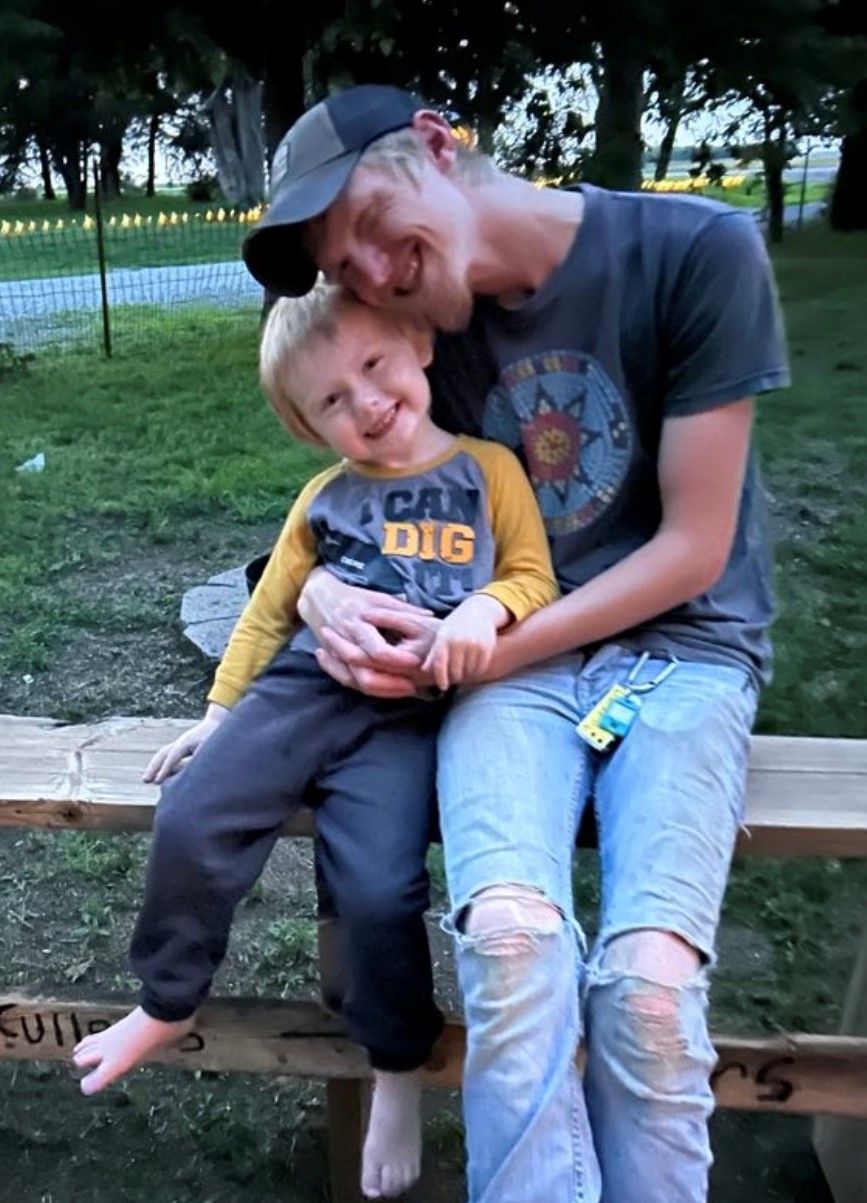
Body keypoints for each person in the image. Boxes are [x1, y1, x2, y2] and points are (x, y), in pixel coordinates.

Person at [239, 84, 791, 1203]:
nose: (375, 275)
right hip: (505, 672)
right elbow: (338, 511)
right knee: (508, 946)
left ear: (440, 146)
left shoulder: (698, 251)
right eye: (344, 270)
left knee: (644, 989)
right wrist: (317, 604)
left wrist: (487, 638)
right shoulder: (414, 338)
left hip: (681, 652)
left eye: (372, 227)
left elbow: (692, 548)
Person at [70, 281, 558, 1200]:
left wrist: (487, 608)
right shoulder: (323, 500)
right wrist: (217, 715)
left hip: (405, 718)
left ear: (415, 347)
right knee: (191, 811)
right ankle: (167, 1000)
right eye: (333, 398)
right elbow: (266, 613)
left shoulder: (488, 470)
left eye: (373, 367)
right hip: (301, 692)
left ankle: (395, 1068)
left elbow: (533, 573)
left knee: (379, 890)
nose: (366, 402)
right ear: (309, 425)